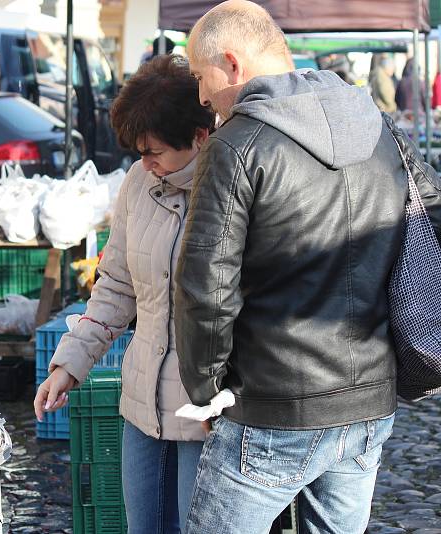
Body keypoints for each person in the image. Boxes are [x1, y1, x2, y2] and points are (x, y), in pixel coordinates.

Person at [178, 1, 441, 533]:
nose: (202, 99)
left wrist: (205, 389)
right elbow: (428, 222)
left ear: (231, 63)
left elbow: (207, 285)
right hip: (369, 402)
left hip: (274, 405)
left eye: (199, 79)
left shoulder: (237, 144)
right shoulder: (379, 126)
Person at [34, 55, 215, 534]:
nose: (145, 162)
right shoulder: (138, 183)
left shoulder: (229, 185)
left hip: (208, 408)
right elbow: (115, 283)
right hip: (142, 398)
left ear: (198, 137)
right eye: (138, 151)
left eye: (154, 150)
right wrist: (70, 364)